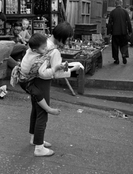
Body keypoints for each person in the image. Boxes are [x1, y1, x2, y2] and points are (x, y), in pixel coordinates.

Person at [27, 22, 83, 157]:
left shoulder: (42, 42)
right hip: (42, 82)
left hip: (31, 79)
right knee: (43, 113)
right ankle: (39, 148)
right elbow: (57, 74)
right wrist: (74, 68)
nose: (68, 42)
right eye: (68, 38)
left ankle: (34, 139)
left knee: (36, 109)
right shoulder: (54, 51)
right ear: (62, 37)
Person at [11, 33, 73, 115]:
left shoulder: (30, 50)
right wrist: (55, 68)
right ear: (35, 50)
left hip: (24, 76)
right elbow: (43, 73)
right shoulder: (38, 61)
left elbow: (43, 49)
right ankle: (48, 109)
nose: (46, 49)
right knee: (37, 94)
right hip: (25, 82)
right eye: (44, 48)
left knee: (35, 108)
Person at [107, 0, 132, 65]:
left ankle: (116, 59)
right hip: (123, 32)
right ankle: (124, 54)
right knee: (124, 45)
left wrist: (109, 32)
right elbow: (129, 22)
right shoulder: (125, 12)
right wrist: (130, 31)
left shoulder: (112, 12)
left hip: (115, 32)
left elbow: (109, 23)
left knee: (115, 46)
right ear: (121, 4)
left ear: (115, 4)